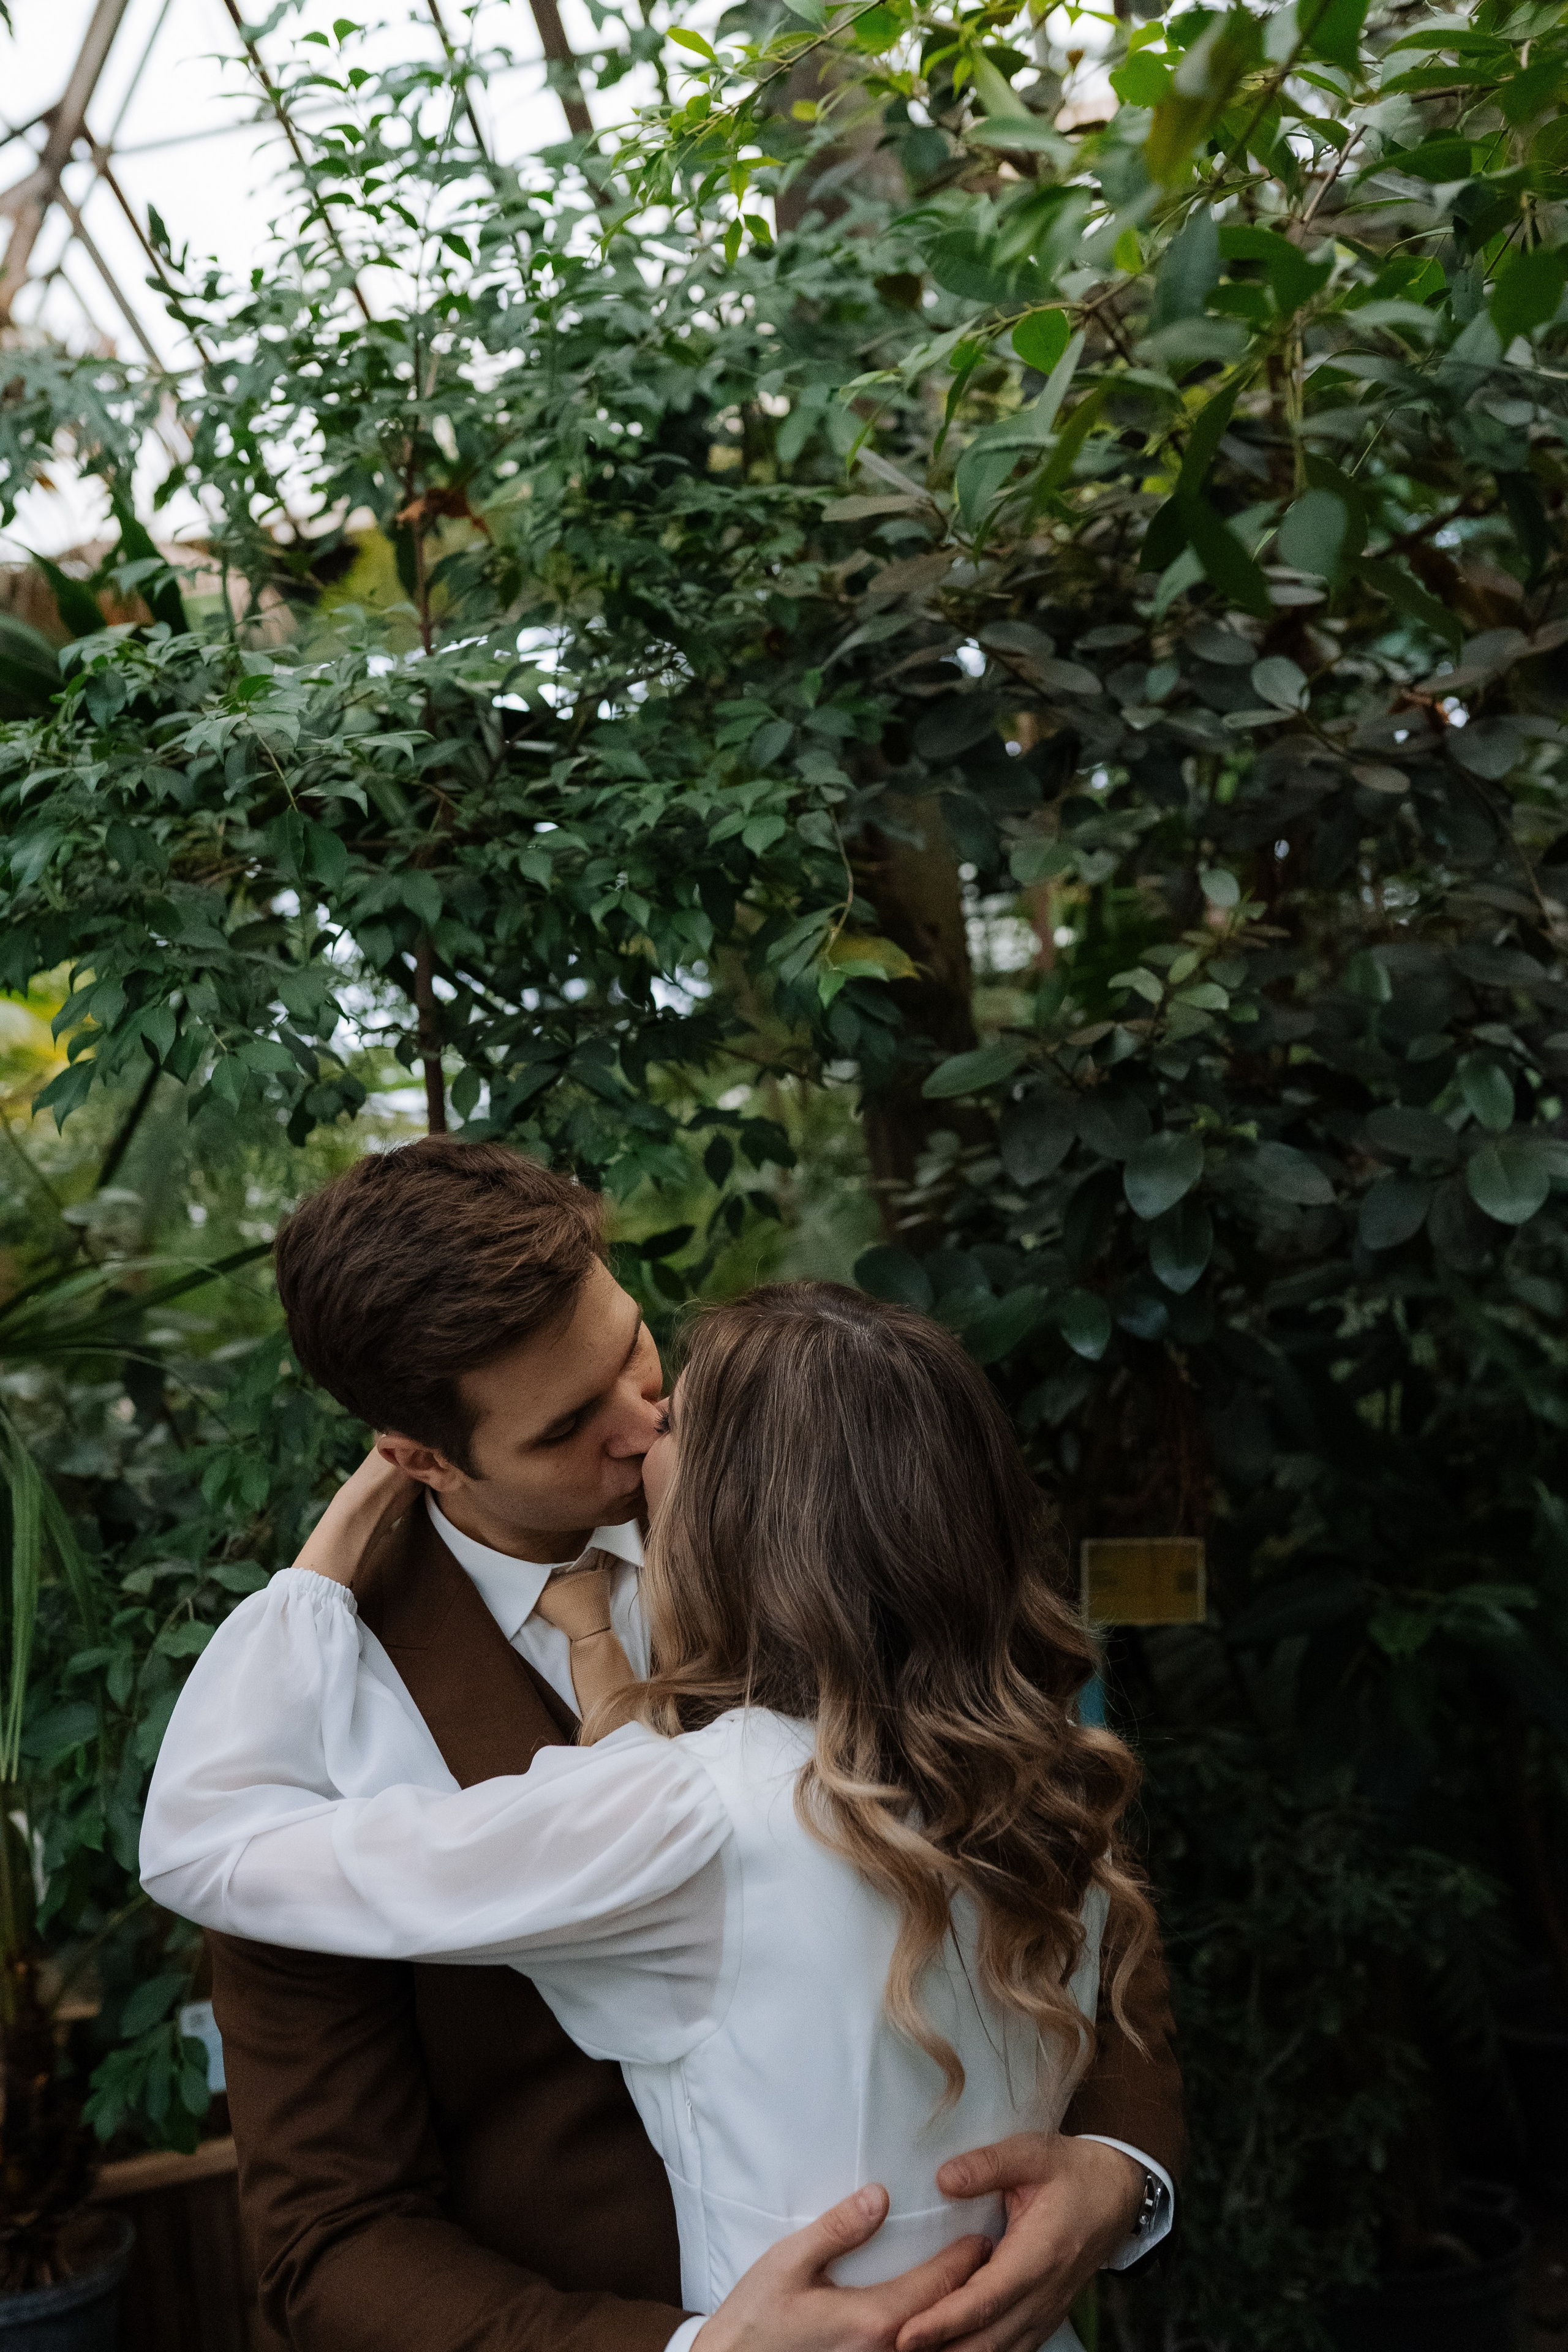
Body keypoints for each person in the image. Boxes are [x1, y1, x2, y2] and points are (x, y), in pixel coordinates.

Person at [168, 1141, 1182, 2352]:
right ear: (421, 1457)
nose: (643, 1427)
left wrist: (1117, 2173)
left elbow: (1051, 1841)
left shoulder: (821, 1507)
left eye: (635, 1355)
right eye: (565, 1428)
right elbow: (328, 2239)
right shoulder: (316, 1728)